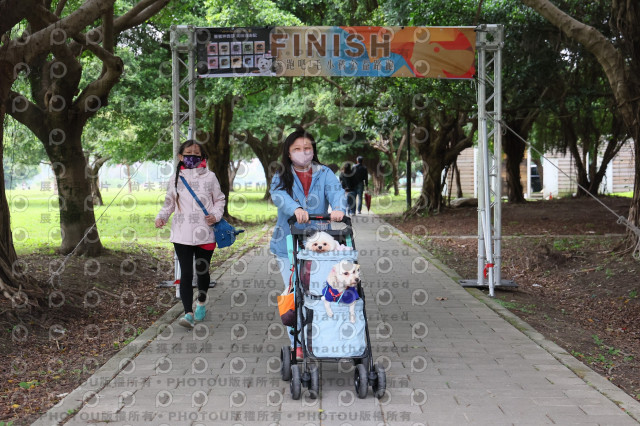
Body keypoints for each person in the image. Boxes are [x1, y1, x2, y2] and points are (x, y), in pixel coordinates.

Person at [270, 127, 346, 358]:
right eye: (297, 149)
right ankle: (298, 344)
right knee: (295, 293)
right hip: (288, 244)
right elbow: (279, 196)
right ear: (288, 152)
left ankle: (323, 338)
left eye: (307, 148)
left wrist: (339, 208)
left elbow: (337, 192)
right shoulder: (281, 174)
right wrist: (296, 209)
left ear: (313, 150)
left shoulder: (324, 173)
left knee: (319, 292)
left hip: (318, 244)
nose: (303, 152)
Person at [155, 140, 226, 329]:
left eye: (196, 154)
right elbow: (169, 203)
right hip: (182, 233)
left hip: (205, 232)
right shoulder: (175, 178)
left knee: (202, 271)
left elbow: (220, 200)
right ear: (180, 156)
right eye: (188, 154)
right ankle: (188, 314)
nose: (192, 157)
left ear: (202, 157)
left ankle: (201, 302)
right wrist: (161, 217)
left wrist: (215, 215)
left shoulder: (210, 177)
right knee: (186, 273)